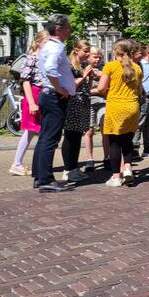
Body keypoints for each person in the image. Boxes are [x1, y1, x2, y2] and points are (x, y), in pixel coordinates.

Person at [31, 14, 76, 192]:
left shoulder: (47, 45)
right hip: (54, 97)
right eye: (68, 28)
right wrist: (59, 88)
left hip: (47, 95)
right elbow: (50, 68)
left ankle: (39, 176)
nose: (69, 31)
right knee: (51, 138)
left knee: (44, 137)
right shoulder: (56, 48)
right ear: (59, 29)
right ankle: (45, 180)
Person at [97, 40, 143, 187]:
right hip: (132, 107)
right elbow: (140, 91)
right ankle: (128, 167)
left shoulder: (110, 66)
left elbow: (101, 88)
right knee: (128, 140)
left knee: (115, 143)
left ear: (115, 51)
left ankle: (116, 176)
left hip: (116, 106)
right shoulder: (137, 68)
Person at [9, 30, 49, 176]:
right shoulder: (32, 58)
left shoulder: (46, 58)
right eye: (46, 42)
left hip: (43, 94)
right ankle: (17, 163)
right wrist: (32, 103)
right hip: (34, 94)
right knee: (31, 130)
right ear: (39, 42)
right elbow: (25, 80)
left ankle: (26, 163)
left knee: (37, 131)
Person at [60, 40, 97, 182]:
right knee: (70, 136)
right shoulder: (69, 65)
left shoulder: (81, 66)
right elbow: (70, 85)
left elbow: (84, 86)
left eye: (88, 51)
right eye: (85, 51)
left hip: (82, 103)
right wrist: (84, 75)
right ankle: (67, 169)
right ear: (76, 50)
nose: (87, 54)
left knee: (77, 136)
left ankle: (74, 167)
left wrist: (89, 77)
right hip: (72, 103)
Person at [83, 46, 104, 170]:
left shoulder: (104, 69)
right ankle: (89, 158)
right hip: (88, 102)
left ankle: (107, 157)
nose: (98, 60)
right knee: (89, 130)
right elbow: (84, 88)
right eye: (95, 57)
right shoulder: (83, 68)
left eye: (99, 57)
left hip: (102, 101)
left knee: (104, 128)